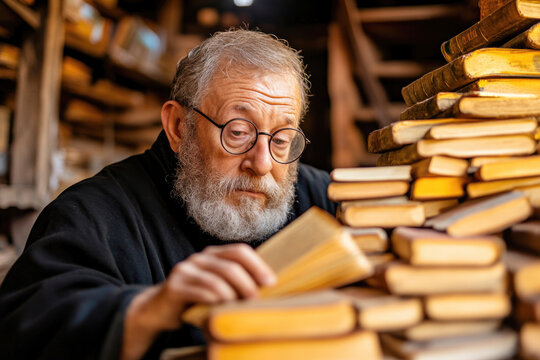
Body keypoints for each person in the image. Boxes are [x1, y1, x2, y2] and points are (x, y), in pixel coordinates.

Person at [0, 29, 336, 359]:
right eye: (237, 132)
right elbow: (24, 329)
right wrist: (148, 310)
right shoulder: (91, 214)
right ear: (178, 126)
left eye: (280, 139)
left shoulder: (323, 200)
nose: (262, 164)